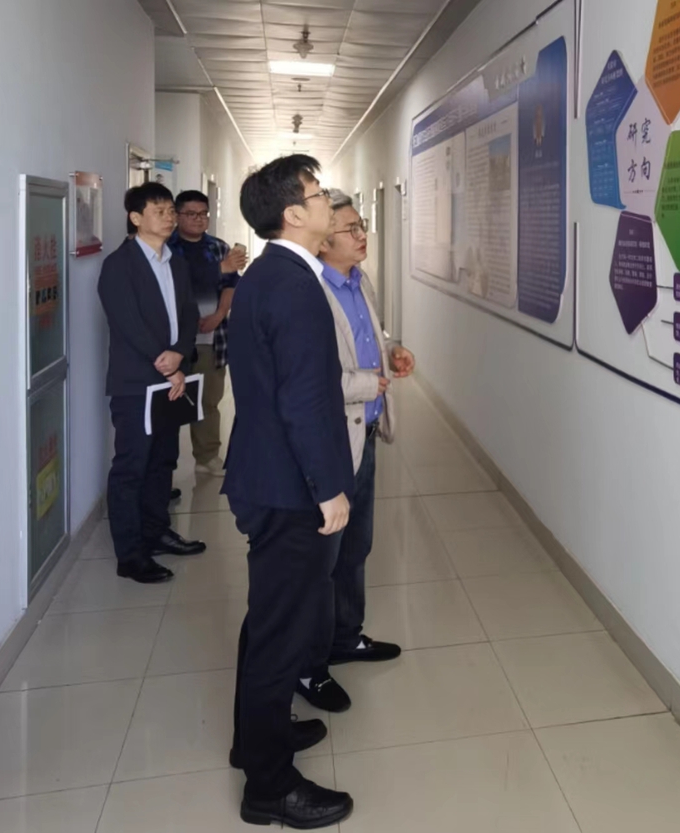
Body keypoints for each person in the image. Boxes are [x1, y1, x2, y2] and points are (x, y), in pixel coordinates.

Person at [222, 155, 355, 829]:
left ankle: (255, 739)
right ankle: (269, 786)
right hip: (289, 487)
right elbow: (303, 400)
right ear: (294, 214)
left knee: (268, 620)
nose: (328, 200)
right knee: (282, 632)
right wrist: (328, 489)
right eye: (317, 192)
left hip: (268, 474)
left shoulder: (268, 275)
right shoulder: (293, 285)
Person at [296, 189, 415, 713]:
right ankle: (308, 664)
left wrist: (392, 351)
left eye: (362, 224)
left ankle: (346, 636)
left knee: (356, 547)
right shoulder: (310, 293)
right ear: (324, 242)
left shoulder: (359, 280)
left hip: (364, 435)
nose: (362, 234)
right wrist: (369, 383)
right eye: (350, 228)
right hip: (331, 442)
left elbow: (369, 339)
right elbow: (311, 379)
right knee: (320, 558)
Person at [98, 183, 207, 585]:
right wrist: (168, 364)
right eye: (159, 210)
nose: (169, 217)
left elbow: (190, 313)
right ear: (136, 217)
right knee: (132, 466)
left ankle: (156, 531)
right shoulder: (119, 265)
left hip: (170, 379)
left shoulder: (174, 261)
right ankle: (130, 555)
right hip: (136, 383)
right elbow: (128, 323)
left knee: (163, 459)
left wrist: (180, 353)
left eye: (170, 210)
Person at [168, 191, 247, 476]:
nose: (198, 219)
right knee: (169, 402)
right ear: (177, 216)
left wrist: (219, 314)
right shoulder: (167, 247)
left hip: (211, 337)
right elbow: (175, 283)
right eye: (191, 214)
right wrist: (218, 269)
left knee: (208, 400)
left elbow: (231, 284)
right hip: (173, 341)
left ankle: (207, 456)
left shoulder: (218, 247)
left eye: (203, 214)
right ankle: (165, 465)